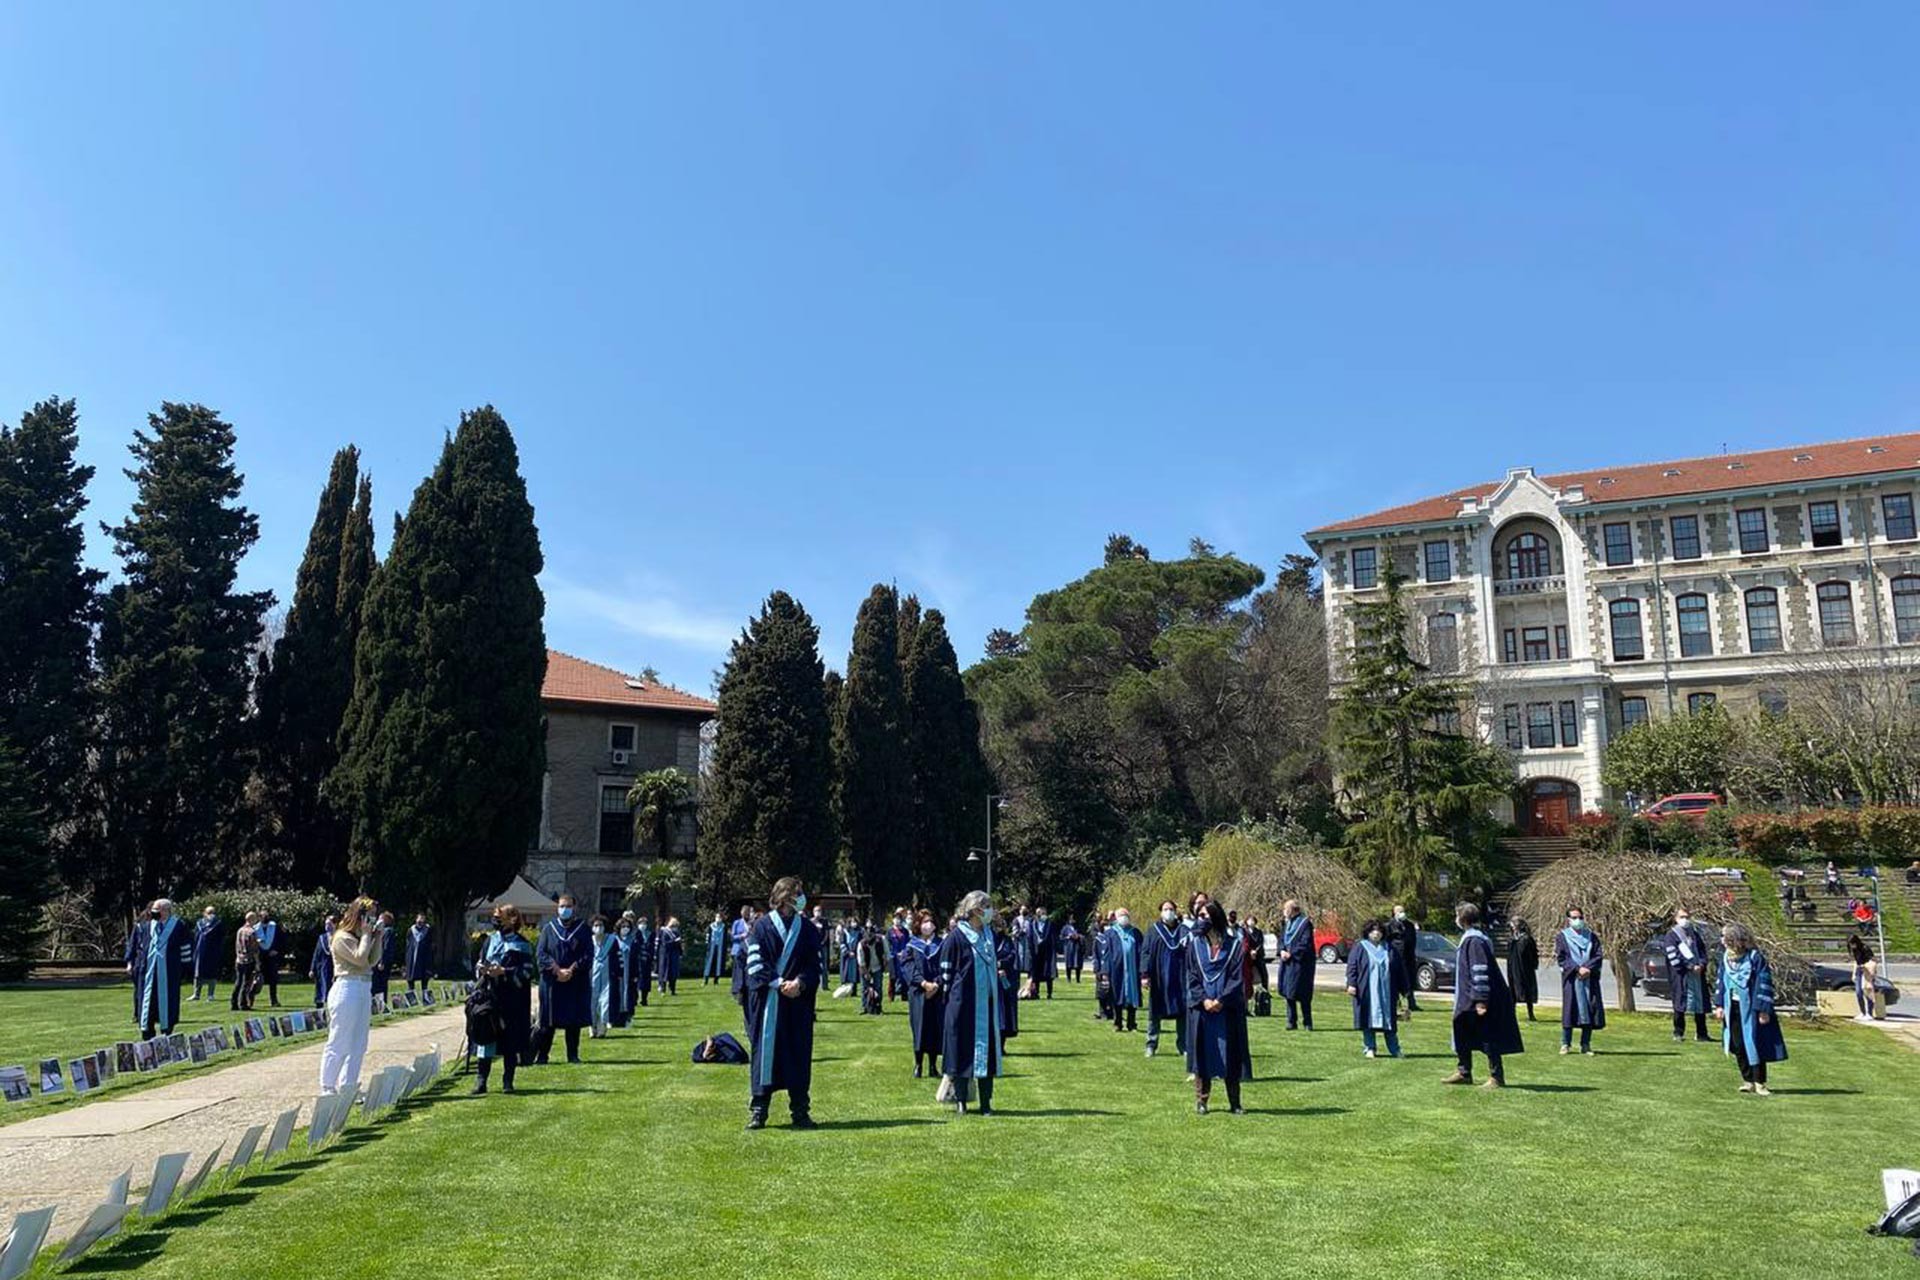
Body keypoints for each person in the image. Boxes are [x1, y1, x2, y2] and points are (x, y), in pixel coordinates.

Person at [744, 876, 823, 1130]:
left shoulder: (808, 929)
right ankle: (759, 1110)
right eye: (797, 893)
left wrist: (799, 983)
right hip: (769, 1002)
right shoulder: (762, 927)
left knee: (798, 1055)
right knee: (765, 1055)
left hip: (797, 1004)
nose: (801, 898)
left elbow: (814, 965)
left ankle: (800, 1111)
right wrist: (778, 983)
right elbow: (755, 964)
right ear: (784, 896)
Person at [1443, 902, 1523, 1088]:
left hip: (1477, 997)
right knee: (1461, 1030)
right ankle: (1464, 1072)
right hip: (1466, 996)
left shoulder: (1475, 941)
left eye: (1457, 915)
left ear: (1462, 919)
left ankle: (1496, 1076)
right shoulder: (1470, 939)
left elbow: (1480, 970)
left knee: (1488, 1035)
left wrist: (1481, 1000)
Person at [940, 890, 1004, 1115]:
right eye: (988, 906)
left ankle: (986, 1103)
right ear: (977, 910)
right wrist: (950, 1003)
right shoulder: (956, 937)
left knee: (987, 1056)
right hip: (963, 1006)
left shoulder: (988, 934)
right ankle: (961, 1103)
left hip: (986, 1005)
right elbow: (946, 972)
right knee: (961, 1053)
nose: (991, 911)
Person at [1184, 902, 1249, 1114]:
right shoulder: (1195, 946)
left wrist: (1221, 999)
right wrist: (1203, 1000)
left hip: (1226, 1010)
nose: (1201, 920)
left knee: (1230, 1054)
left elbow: (1236, 978)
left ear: (1215, 917)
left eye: (1205, 916)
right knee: (1202, 1055)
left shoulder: (1234, 946)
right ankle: (1202, 1101)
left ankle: (1235, 1102)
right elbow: (1192, 976)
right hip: (1202, 1010)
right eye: (1199, 916)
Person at [319, 896, 382, 1096]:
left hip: (363, 987)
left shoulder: (360, 937)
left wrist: (376, 937)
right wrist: (366, 935)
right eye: (369, 917)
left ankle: (349, 1084)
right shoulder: (342, 937)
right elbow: (359, 957)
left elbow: (371, 961)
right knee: (340, 1038)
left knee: (359, 1041)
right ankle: (328, 1085)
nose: (371, 922)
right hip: (347, 988)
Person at [1713, 922, 1786, 1096]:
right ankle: (1747, 1081)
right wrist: (1719, 1005)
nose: (1722, 939)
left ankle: (1760, 1082)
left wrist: (1763, 1009)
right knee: (1738, 1045)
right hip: (1733, 1007)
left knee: (1754, 1043)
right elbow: (1721, 981)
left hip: (1752, 1009)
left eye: (1725, 936)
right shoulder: (1725, 958)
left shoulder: (1755, 957)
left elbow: (1764, 983)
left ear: (1734, 939)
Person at [471, 905, 534, 1095]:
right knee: (486, 1038)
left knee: (510, 1039)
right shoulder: (490, 940)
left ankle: (508, 1081)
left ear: (513, 919)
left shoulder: (523, 944)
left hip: (512, 999)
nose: (496, 920)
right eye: (494, 916)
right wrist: (482, 969)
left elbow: (527, 971)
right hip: (490, 997)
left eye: (500, 917)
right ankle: (481, 1081)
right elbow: (479, 962)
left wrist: (505, 972)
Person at [535, 893, 592, 1064]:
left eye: (568, 906)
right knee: (548, 1020)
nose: (564, 910)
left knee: (573, 1020)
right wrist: (556, 970)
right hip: (552, 982)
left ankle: (572, 1055)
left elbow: (588, 954)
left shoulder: (582, 929)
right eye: (561, 906)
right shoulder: (548, 929)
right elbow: (541, 954)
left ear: (574, 908)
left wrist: (572, 970)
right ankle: (543, 1056)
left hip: (575, 981)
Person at [127, 898, 193, 1038]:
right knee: (146, 1002)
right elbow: (138, 948)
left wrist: (185, 969)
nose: (153, 913)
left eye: (157, 910)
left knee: (168, 1002)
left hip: (169, 972)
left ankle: (167, 1031)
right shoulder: (145, 927)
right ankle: (147, 1032)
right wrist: (133, 964)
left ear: (165, 911)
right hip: (148, 973)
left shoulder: (179, 926)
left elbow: (186, 948)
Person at [1346, 919, 1406, 1059]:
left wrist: (1404, 988)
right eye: (1373, 930)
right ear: (1367, 932)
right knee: (1368, 1020)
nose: (1376, 933)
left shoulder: (1389, 948)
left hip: (1386, 992)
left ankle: (1395, 1049)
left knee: (1390, 1022)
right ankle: (1370, 1047)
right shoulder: (1360, 947)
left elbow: (1399, 969)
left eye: (1379, 930)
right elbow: (1352, 967)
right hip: (1367, 991)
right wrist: (1351, 984)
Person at [1553, 907, 1605, 1055]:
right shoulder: (1562, 937)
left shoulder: (1591, 936)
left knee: (1589, 1009)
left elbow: (1598, 955)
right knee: (1569, 1010)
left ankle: (1585, 1044)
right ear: (1568, 920)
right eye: (1574, 918)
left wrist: (1587, 968)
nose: (1578, 920)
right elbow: (1562, 958)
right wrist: (1577, 969)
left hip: (1589, 978)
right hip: (1572, 979)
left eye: (1580, 917)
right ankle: (1565, 1043)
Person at [1141, 900, 1188, 1059]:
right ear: (1160, 912)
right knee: (1154, 1012)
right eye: (1165, 909)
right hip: (1159, 978)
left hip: (1180, 978)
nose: (1169, 912)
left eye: (1171, 909)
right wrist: (1145, 975)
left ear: (1176, 911)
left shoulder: (1184, 930)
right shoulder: (1153, 931)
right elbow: (1146, 953)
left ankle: (1184, 1046)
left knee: (1183, 1013)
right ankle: (1151, 1045)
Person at [1662, 910, 1714, 1041]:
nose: (1685, 919)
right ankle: (1678, 1033)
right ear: (1675, 918)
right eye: (1682, 917)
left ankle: (1702, 1033)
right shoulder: (1671, 935)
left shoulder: (1694, 934)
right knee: (1680, 1004)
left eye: (1687, 916)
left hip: (1697, 974)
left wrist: (1701, 964)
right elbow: (1673, 955)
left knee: (1700, 1004)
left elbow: (1702, 951)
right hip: (1681, 975)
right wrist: (1689, 966)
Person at [904, 911, 944, 1077]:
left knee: (934, 1028)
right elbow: (908, 967)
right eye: (925, 922)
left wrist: (935, 985)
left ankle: (933, 1066)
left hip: (937, 992)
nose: (929, 925)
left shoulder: (941, 944)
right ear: (918, 925)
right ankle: (918, 1064)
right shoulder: (912, 946)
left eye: (931, 921)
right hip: (918, 993)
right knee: (919, 1027)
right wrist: (923, 984)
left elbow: (945, 966)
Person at [1276, 899, 1317, 1031]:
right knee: (1289, 993)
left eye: (1286, 909)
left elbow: (1306, 943)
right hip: (1288, 964)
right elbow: (1282, 939)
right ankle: (1291, 1021)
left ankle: (1307, 1022)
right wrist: (1281, 950)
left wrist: (1292, 953)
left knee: (1303, 994)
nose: (1284, 912)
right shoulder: (1287, 924)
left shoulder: (1305, 924)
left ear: (1293, 910)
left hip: (1301, 965)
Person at [1104, 908, 1143, 1032]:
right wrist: (1104, 971)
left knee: (1133, 996)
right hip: (1117, 969)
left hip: (1133, 970)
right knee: (1117, 995)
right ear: (1116, 917)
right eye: (1121, 915)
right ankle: (1118, 1022)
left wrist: (1143, 970)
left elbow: (1142, 951)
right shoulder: (1110, 933)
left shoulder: (1135, 932)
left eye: (1125, 915)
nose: (1123, 917)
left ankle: (1132, 1023)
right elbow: (1106, 953)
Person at [1386, 905, 1420, 1014]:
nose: (1402, 913)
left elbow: (1413, 940)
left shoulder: (1409, 925)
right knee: (1395, 980)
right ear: (1394, 913)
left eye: (1403, 911)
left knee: (1409, 980)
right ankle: (1395, 1003)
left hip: (1408, 957)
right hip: (1396, 956)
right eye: (1399, 911)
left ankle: (1412, 1003)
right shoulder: (1390, 926)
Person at [588, 914, 618, 1038]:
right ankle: (592, 1026)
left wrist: (617, 974)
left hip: (608, 974)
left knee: (605, 1001)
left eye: (600, 925)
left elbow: (617, 958)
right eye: (595, 925)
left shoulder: (612, 940)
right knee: (592, 1000)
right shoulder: (589, 941)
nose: (598, 928)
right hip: (592, 974)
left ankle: (602, 1026)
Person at [1506, 918, 1540, 1021]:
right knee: (1512, 991)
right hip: (1513, 967)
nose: (1512, 928)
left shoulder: (1526, 939)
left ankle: (1531, 1013)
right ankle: (1512, 1013)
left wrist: (1533, 964)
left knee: (1527, 990)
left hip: (1525, 968)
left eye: (1513, 925)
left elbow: (1533, 954)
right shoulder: (1512, 939)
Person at [609, 917, 638, 1028]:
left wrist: (635, 974)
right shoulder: (613, 940)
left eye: (627, 927)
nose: (625, 929)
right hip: (616, 974)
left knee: (629, 996)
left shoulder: (633, 941)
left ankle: (627, 1018)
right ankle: (613, 1019)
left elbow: (636, 959)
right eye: (623, 927)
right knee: (615, 995)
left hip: (629, 974)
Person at [189, 906, 222, 1002]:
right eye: (209, 912)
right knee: (197, 972)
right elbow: (195, 936)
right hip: (200, 950)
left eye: (212, 912)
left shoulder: (218, 924)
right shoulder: (200, 923)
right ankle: (196, 994)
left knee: (211, 972)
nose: (211, 914)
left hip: (212, 951)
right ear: (204, 913)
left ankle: (210, 994)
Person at [231, 911, 261, 1011]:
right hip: (249, 960)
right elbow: (254, 949)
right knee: (246, 983)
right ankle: (243, 1004)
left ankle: (234, 1003)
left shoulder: (240, 930)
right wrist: (257, 963)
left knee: (238, 982)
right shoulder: (252, 932)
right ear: (252, 920)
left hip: (239, 959)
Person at [1847, 933, 1879, 1021]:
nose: (1852, 946)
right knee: (1858, 992)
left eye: (1853, 944)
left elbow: (1873, 961)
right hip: (1859, 971)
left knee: (1867, 990)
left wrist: (1866, 968)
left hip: (1867, 971)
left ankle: (1869, 1013)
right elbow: (1856, 962)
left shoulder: (1865, 948)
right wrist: (1854, 973)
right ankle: (1862, 1012)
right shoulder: (1854, 950)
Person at [309, 914, 337, 1008]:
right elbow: (316, 954)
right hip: (322, 968)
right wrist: (312, 969)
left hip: (334, 968)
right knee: (320, 989)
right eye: (326, 924)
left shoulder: (339, 937)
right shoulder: (322, 938)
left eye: (329, 924)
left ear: (335, 924)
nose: (327, 926)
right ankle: (320, 1013)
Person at [256, 910, 283, 1006]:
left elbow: (281, 939)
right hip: (260, 956)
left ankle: (274, 1000)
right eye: (263, 916)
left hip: (272, 956)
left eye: (266, 916)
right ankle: (250, 999)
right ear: (259, 917)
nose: (265, 918)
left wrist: (276, 950)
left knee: (273, 979)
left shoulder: (274, 926)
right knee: (257, 978)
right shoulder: (256, 928)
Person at [1029, 906, 1057, 999]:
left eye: (1044, 913)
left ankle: (1049, 993)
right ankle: (1036, 993)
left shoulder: (1050, 924)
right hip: (1036, 951)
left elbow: (1053, 938)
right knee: (1036, 972)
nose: (1042, 915)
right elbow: (1030, 937)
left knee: (1048, 972)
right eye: (1040, 913)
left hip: (1047, 951)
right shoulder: (1033, 924)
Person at [371, 910, 398, 1002]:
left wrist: (381, 961)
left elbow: (385, 948)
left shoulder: (388, 931)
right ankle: (379, 1002)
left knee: (380, 983)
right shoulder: (384, 931)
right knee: (379, 983)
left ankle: (381, 1003)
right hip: (382, 960)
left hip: (382, 962)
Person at [631, 915, 656, 1008]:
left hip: (647, 961)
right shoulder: (634, 934)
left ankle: (644, 999)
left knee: (645, 980)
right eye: (641, 923)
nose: (643, 925)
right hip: (637, 961)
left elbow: (652, 946)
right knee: (636, 980)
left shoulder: (650, 934)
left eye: (645, 923)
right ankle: (634, 999)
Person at [404, 914, 433, 994]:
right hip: (412, 955)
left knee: (424, 975)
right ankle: (411, 994)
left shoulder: (427, 930)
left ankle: (425, 994)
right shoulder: (411, 930)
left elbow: (430, 943)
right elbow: (408, 942)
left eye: (423, 919)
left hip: (424, 956)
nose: (421, 921)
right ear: (416, 919)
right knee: (411, 975)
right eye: (419, 919)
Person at [656, 916, 684, 996]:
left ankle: (673, 990)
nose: (674, 927)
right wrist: (674, 941)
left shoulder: (677, 932)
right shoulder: (664, 932)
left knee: (673, 973)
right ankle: (662, 989)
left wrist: (680, 952)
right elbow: (665, 944)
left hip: (674, 955)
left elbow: (679, 945)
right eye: (673, 925)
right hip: (666, 955)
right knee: (664, 972)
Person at [837, 916, 862, 989]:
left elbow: (860, 943)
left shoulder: (859, 932)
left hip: (855, 955)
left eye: (855, 922)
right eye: (852, 922)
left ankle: (854, 989)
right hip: (846, 955)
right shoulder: (844, 932)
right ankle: (844, 988)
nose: (854, 924)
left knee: (854, 973)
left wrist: (856, 952)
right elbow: (842, 943)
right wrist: (848, 952)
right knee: (846, 971)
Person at [704, 912, 727, 984]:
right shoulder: (711, 926)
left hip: (720, 946)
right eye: (717, 917)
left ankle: (716, 979)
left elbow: (725, 937)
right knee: (709, 962)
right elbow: (708, 936)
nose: (718, 919)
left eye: (719, 917)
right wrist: (707, 944)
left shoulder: (724, 926)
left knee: (718, 962)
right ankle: (706, 979)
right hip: (712, 946)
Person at [1060, 915, 1084, 983]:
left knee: (1077, 964)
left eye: (1073, 920)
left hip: (1077, 947)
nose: (1072, 921)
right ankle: (1068, 979)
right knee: (1068, 963)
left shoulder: (1078, 927)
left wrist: (1078, 936)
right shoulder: (1065, 928)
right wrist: (1068, 937)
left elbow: (1082, 935)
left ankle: (1078, 979)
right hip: (1068, 947)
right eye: (1071, 919)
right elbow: (1061, 937)